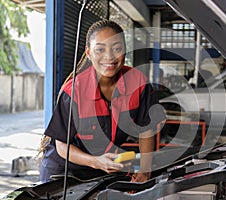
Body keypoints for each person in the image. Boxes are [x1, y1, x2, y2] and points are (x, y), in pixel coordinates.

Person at [39, 19, 165, 183]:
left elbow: (146, 129)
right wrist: (96, 162)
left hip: (104, 169)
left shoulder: (138, 83)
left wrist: (145, 169)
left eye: (117, 48)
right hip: (64, 172)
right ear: (89, 53)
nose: (109, 56)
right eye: (100, 49)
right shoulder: (74, 91)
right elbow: (62, 146)